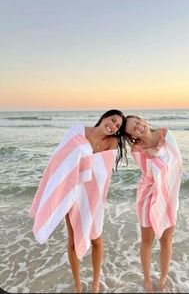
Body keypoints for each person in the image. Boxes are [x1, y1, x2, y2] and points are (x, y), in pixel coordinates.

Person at [29, 109, 127, 293]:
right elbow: (60, 159)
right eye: (112, 120)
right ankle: (77, 284)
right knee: (73, 239)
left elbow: (103, 171)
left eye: (117, 126)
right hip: (72, 190)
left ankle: (95, 283)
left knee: (96, 238)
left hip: (94, 196)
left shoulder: (112, 142)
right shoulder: (77, 132)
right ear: (104, 117)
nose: (113, 126)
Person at [120, 115, 183, 292]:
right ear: (132, 135)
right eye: (134, 128)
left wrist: (158, 152)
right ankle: (147, 279)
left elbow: (177, 162)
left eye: (138, 122)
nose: (139, 127)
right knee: (146, 240)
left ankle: (163, 277)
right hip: (147, 195)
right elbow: (152, 173)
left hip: (168, 194)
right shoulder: (137, 149)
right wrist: (155, 155)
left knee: (166, 240)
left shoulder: (165, 134)